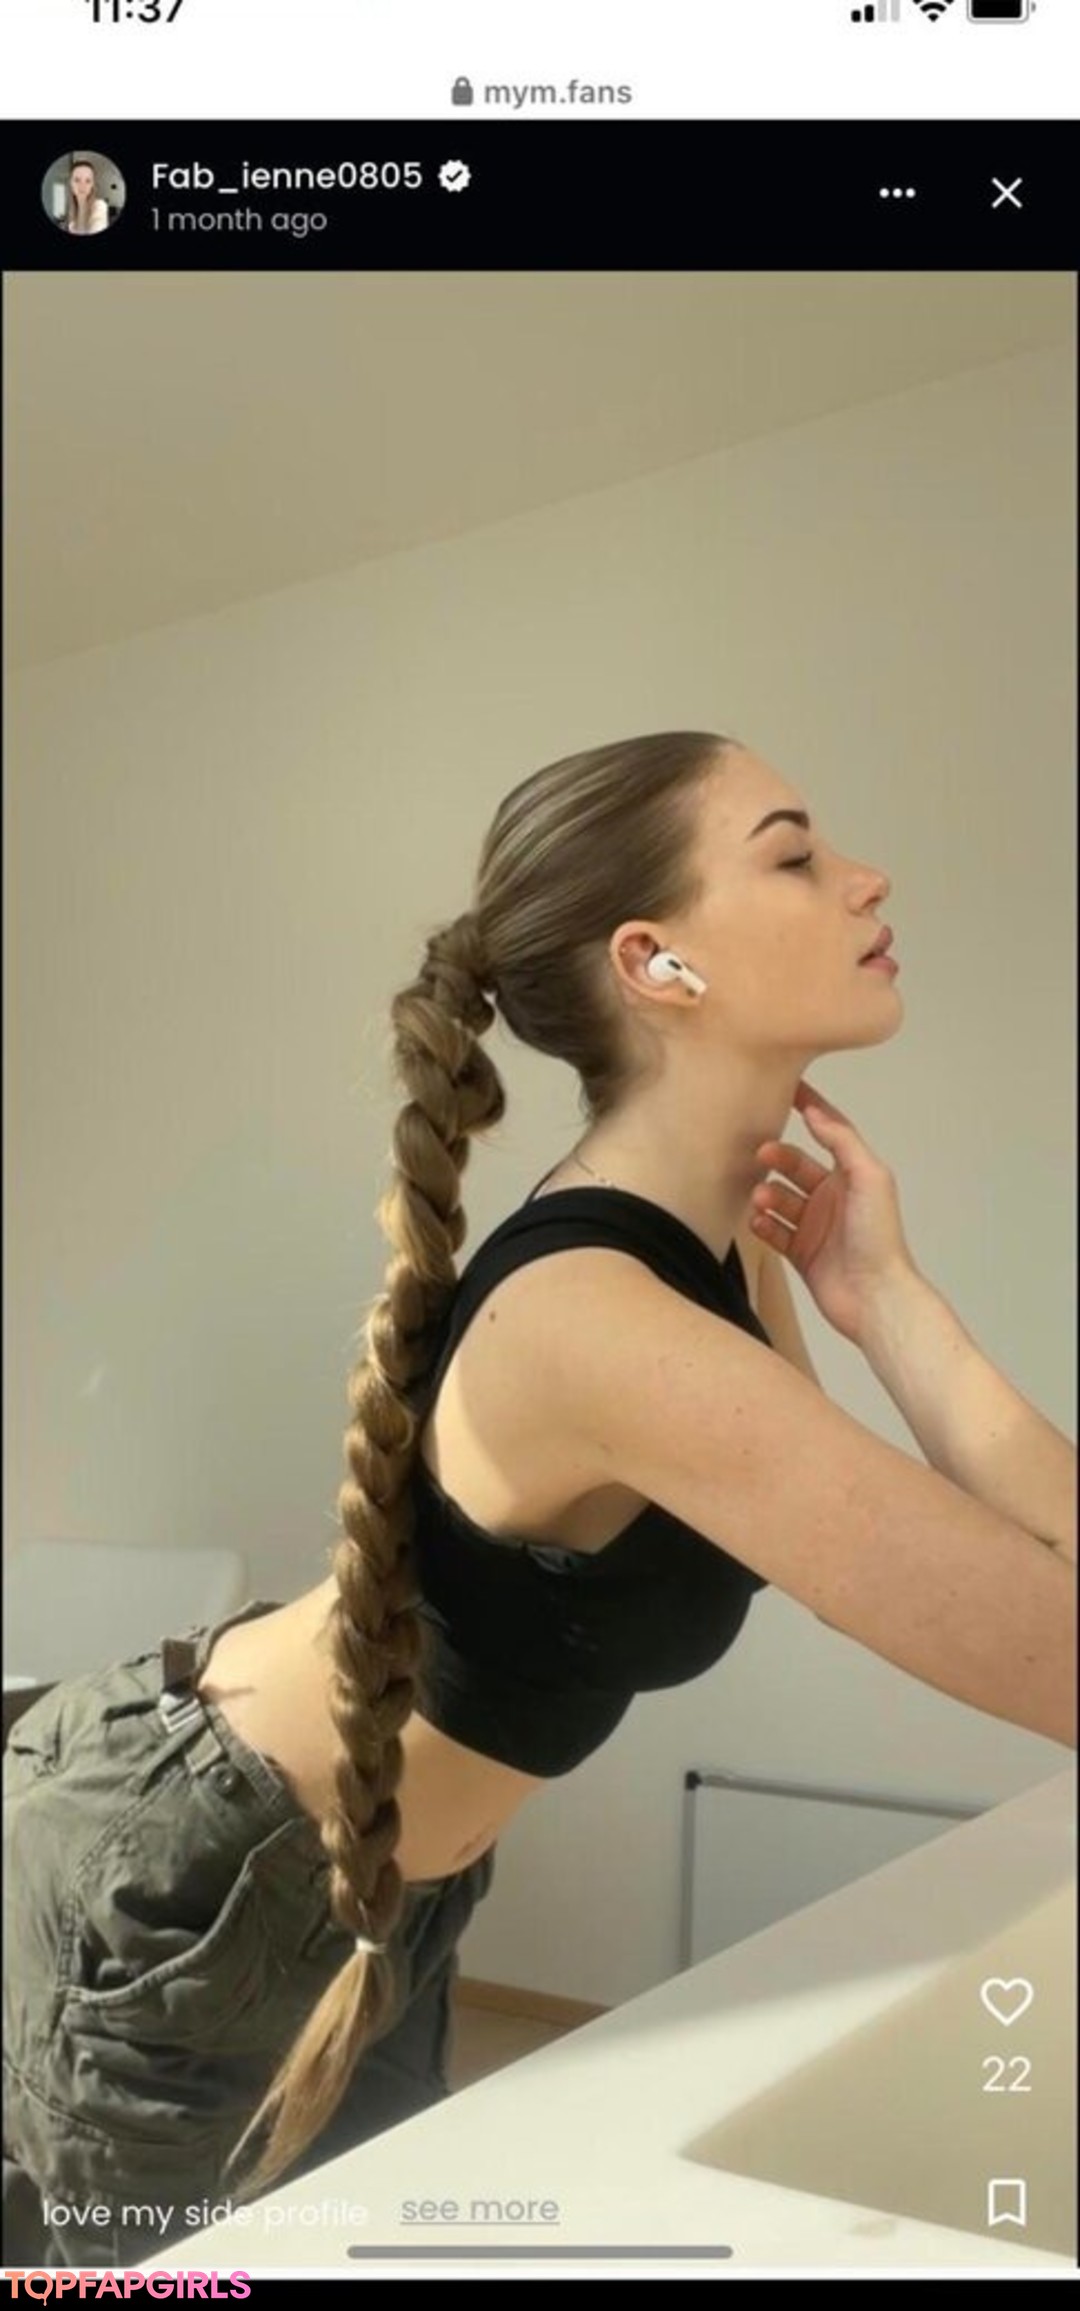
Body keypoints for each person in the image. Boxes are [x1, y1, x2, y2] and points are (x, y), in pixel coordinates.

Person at [3, 730, 1075, 2269]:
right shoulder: (598, 1318)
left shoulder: (720, 1251)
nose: (866, 877)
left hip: (384, 1872)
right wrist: (893, 1306)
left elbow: (1009, 1570)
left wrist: (885, 1293)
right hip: (188, 1864)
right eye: (794, 852)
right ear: (654, 961)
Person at [63, 160, 110, 235]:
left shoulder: (100, 205)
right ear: (71, 183)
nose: (82, 186)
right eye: (77, 180)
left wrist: (82, 203)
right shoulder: (72, 209)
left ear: (92, 185)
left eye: (88, 181)